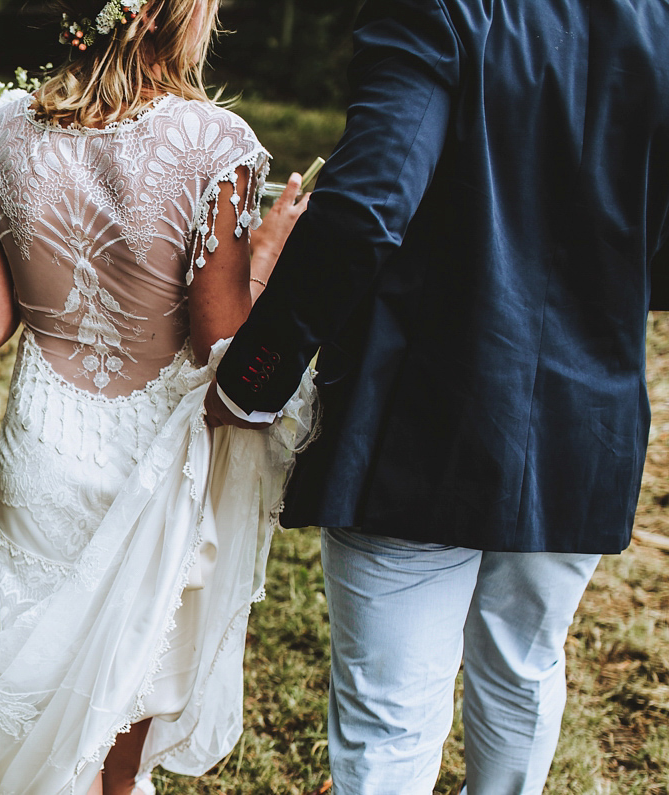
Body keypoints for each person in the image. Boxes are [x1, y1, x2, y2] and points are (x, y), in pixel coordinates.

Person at [205, 0, 669, 793]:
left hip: (419, 417)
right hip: (585, 418)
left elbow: (364, 209)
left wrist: (254, 375)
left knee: (392, 715)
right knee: (524, 665)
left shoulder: (437, 7)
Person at [0, 0, 316, 792]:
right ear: (167, 15)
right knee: (123, 690)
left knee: (48, 671)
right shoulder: (214, 143)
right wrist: (268, 252)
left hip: (41, 446)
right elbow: (222, 342)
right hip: (151, 456)